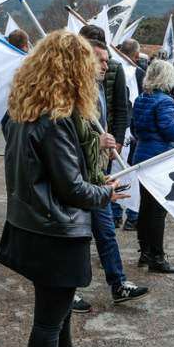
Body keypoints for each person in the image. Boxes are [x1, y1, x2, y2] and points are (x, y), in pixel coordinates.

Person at [0, 30, 126, 347]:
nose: (92, 72)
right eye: (87, 65)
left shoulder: (26, 107)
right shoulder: (58, 116)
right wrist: (108, 191)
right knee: (48, 323)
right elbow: (72, 187)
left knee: (58, 310)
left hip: (34, 225)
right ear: (71, 69)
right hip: (56, 230)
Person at [70, 38, 148, 313]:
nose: (107, 65)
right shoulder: (68, 96)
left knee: (106, 231)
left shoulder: (99, 87)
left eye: (106, 59)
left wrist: (107, 142)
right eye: (101, 60)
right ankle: (69, 292)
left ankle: (118, 284)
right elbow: (64, 144)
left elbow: (108, 119)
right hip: (75, 178)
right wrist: (95, 143)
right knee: (77, 236)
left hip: (96, 172)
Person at [133, 59, 174, 273]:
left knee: (145, 208)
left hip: (143, 155)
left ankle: (145, 252)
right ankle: (157, 257)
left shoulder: (141, 98)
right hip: (159, 159)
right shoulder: (166, 102)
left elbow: (135, 129)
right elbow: (172, 131)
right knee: (157, 211)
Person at [79, 25, 129, 227]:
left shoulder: (114, 68)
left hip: (103, 140)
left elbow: (120, 107)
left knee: (101, 190)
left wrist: (116, 140)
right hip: (88, 141)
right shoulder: (75, 82)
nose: (105, 66)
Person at [0, 29, 31, 166]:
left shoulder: (3, 63)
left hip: (6, 108)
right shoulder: (29, 64)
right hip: (22, 111)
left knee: (12, 145)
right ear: (25, 45)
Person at [112, 38, 144, 231]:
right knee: (129, 171)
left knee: (117, 170)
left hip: (116, 129)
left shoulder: (112, 68)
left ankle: (116, 215)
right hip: (127, 130)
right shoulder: (137, 73)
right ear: (137, 56)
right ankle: (131, 216)